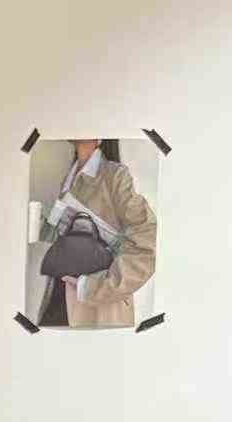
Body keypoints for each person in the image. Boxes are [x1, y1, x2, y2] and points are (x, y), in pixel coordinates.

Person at [36, 137, 157, 329]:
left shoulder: (114, 175)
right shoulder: (70, 175)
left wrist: (93, 287)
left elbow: (148, 240)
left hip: (97, 306)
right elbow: (63, 236)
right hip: (60, 293)